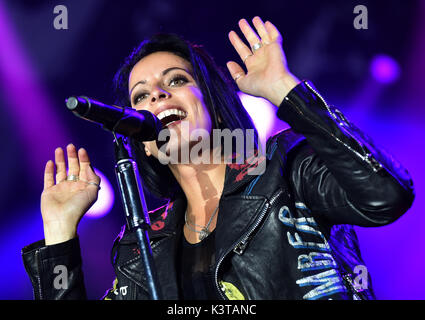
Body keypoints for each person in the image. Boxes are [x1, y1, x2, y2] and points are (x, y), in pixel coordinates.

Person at [22, 17, 414, 300]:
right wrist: (59, 232)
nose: (157, 96)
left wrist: (284, 89)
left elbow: (385, 196)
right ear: (142, 142)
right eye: (141, 96)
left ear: (214, 106)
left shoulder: (286, 166)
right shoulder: (143, 247)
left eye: (177, 81)